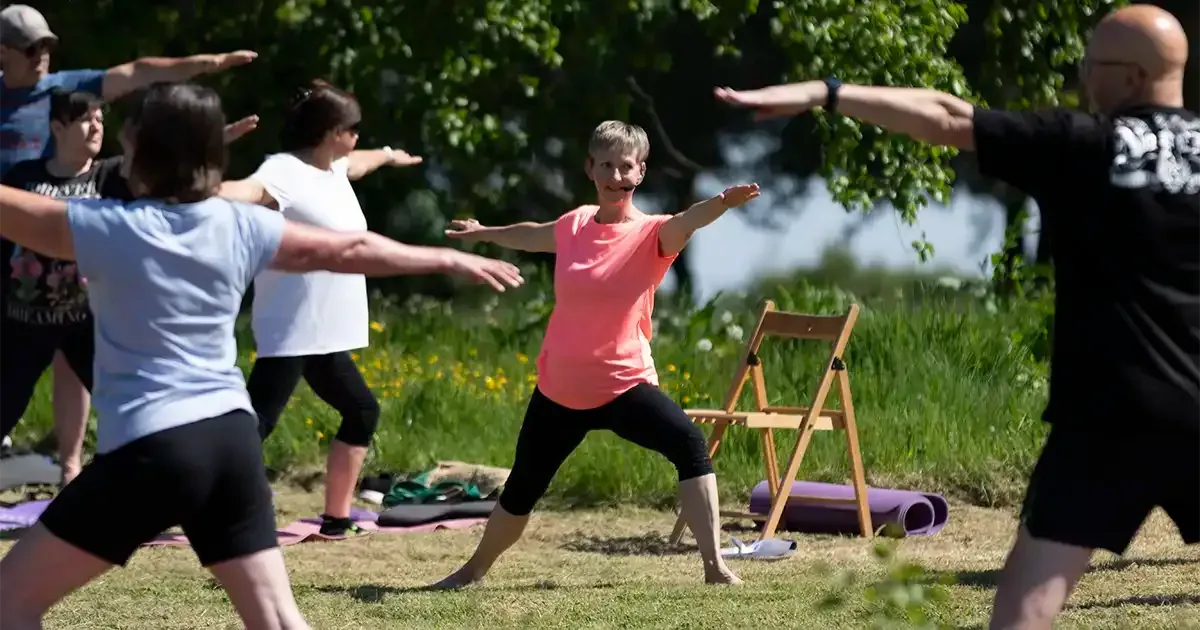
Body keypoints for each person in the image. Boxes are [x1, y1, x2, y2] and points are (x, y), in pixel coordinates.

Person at [711, 5, 1197, 629]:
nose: (1084, 82)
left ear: (1129, 77)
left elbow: (945, 117)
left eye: (1090, 68)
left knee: (1029, 601)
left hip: (1110, 413)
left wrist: (827, 93)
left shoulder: (1084, 144)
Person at [0, 81, 523, 630]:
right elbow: (349, 248)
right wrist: (444, 258)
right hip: (230, 441)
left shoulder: (105, 228)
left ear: (139, 152)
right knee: (277, 620)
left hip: (152, 448)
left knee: (10, 601)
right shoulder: (243, 226)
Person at [429, 120, 759, 588]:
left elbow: (690, 218)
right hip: (561, 387)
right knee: (523, 486)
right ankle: (472, 571)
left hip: (624, 383)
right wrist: (485, 231)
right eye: (606, 164)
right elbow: (532, 234)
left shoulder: (654, 234)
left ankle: (714, 567)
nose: (616, 175)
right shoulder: (574, 225)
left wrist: (723, 203)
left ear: (640, 173)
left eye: (626, 166)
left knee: (688, 444)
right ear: (591, 168)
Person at [0, 4, 258, 465]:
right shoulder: (21, 163)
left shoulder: (68, 91)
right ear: (3, 52)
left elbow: (137, 74)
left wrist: (208, 65)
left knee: (121, 391)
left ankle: (96, 469)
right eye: (30, 48)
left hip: (83, 296)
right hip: (16, 282)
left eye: (48, 46)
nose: (42, 55)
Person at [218, 80, 424, 538]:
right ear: (333, 132)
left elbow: (361, 162)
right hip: (293, 327)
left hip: (326, 332)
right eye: (352, 129)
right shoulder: (284, 171)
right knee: (255, 425)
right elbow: (245, 190)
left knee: (361, 411)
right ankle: (188, 500)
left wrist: (390, 154)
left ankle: (336, 518)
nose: (356, 137)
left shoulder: (332, 168)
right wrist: (197, 189)